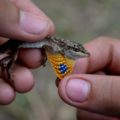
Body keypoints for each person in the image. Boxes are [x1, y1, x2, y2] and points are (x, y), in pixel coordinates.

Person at [0, 0, 120, 120]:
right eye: (77, 50)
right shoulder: (56, 46)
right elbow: (46, 45)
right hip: (18, 42)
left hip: (22, 41)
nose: (82, 54)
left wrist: (44, 55)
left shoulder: (57, 48)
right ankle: (8, 71)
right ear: (68, 49)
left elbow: (45, 46)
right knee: (11, 58)